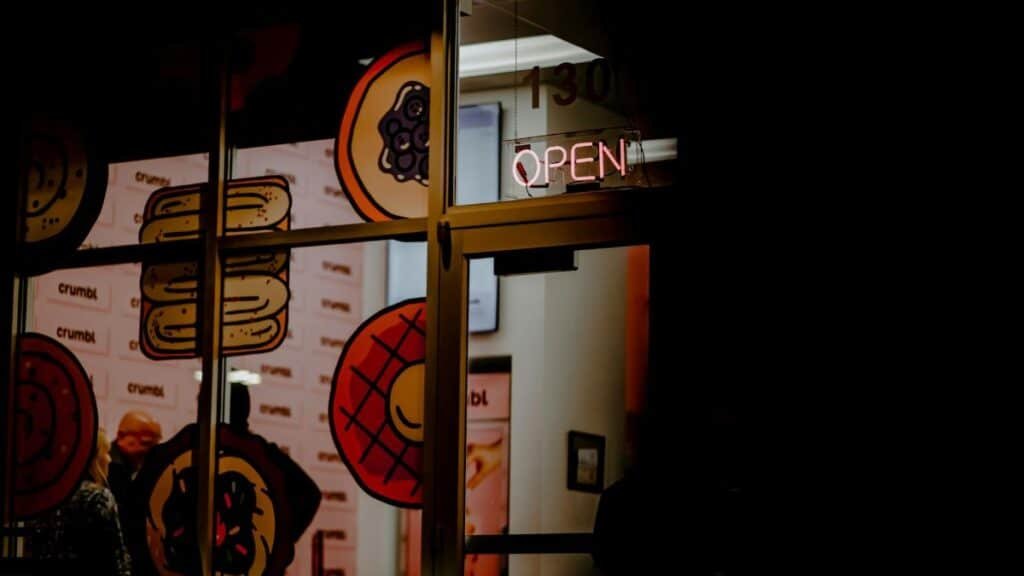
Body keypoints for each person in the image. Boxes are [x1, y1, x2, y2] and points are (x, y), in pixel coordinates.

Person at [28, 428, 132, 575]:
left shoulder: (46, 496)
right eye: (105, 452)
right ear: (92, 458)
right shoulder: (97, 496)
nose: (109, 459)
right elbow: (118, 560)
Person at [108, 410, 162, 574]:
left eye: (156, 445)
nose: (152, 452)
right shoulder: (109, 471)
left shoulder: (143, 469)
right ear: (121, 436)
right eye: (146, 443)